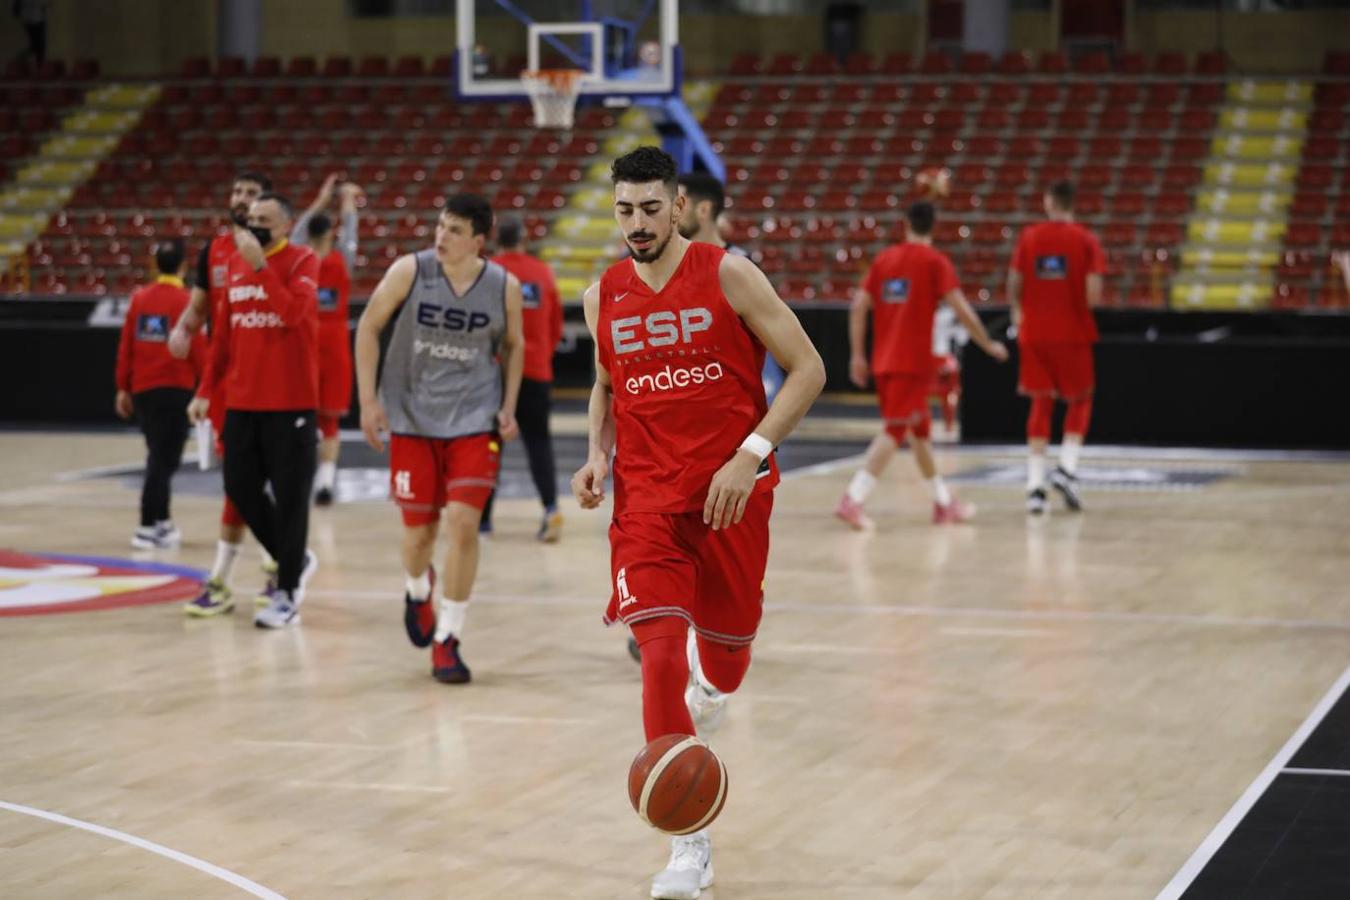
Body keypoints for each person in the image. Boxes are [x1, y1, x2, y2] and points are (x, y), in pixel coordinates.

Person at [572, 146, 824, 899]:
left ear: (678, 206)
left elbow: (808, 368)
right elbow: (606, 387)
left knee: (728, 663)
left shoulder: (728, 273)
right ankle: (689, 846)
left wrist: (749, 454)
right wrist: (595, 454)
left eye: (652, 208)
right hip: (646, 503)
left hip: (731, 499)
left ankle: (710, 691)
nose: (638, 223)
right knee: (656, 659)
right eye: (625, 210)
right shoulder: (601, 295)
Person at [354, 194, 523, 685]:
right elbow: (367, 327)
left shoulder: (503, 286)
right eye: (439, 226)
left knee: (465, 526)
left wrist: (508, 404)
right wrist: (368, 401)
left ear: (477, 240)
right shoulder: (411, 271)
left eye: (452, 230)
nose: (440, 236)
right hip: (411, 418)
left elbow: (515, 345)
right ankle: (415, 586)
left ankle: (448, 638)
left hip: (474, 418)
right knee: (418, 537)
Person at [189, 193, 321, 628]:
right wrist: (206, 390)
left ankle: (285, 593)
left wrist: (262, 269)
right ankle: (293, 559)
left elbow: (294, 314)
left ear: (285, 226)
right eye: (250, 219)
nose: (254, 225)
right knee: (239, 487)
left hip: (290, 403)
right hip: (243, 403)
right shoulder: (235, 270)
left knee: (291, 500)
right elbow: (222, 339)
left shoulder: (303, 261)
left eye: (265, 219)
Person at [836, 201, 1008, 529]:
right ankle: (853, 499)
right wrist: (987, 344)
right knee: (896, 429)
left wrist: (857, 354)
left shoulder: (885, 259)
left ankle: (943, 503)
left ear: (905, 224)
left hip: (885, 362)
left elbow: (858, 306)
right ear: (934, 226)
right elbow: (961, 308)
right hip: (911, 363)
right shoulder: (934, 262)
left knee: (920, 435)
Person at [169, 172, 278, 617]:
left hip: (274, 386)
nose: (241, 200)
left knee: (257, 483)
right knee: (239, 483)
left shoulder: (283, 255)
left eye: (252, 195)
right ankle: (247, 573)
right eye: (237, 192)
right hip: (230, 385)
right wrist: (182, 328)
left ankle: (273, 568)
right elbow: (200, 310)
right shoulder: (214, 251)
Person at [1007, 181, 1105, 515]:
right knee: (1081, 399)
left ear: (1048, 201)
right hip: (1073, 332)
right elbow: (1092, 296)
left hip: (1034, 333)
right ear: (1072, 203)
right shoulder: (1086, 240)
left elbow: (1014, 282)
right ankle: (1066, 467)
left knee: (1040, 403)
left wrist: (1019, 312)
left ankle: (1035, 488)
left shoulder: (1030, 237)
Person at [114, 239, 205, 549]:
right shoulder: (186, 301)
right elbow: (198, 348)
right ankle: (146, 525)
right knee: (164, 460)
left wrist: (123, 387)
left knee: (158, 455)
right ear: (183, 266)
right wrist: (208, 384)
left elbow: (127, 345)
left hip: (144, 389)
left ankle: (163, 522)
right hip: (175, 388)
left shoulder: (139, 299)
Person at [480, 215, 563, 541]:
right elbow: (555, 326)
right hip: (537, 371)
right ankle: (551, 508)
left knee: (490, 445)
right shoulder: (542, 272)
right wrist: (541, 354)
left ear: (496, 239)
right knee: (539, 443)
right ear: (524, 239)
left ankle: (483, 521)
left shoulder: (489, 272)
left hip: (495, 374)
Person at [290, 174, 363, 506]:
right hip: (334, 345)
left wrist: (322, 197)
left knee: (299, 415)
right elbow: (351, 233)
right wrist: (347, 200)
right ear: (330, 234)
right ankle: (326, 479)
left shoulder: (298, 259)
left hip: (303, 344)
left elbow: (295, 230)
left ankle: (299, 475)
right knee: (330, 419)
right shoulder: (341, 261)